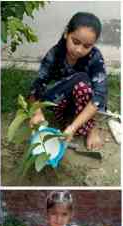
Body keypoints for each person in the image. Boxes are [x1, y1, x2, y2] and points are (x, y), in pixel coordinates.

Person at [28, 12, 108, 150]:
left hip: (85, 101)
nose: (78, 50)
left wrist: (73, 127)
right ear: (66, 34)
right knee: (68, 84)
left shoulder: (95, 58)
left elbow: (99, 97)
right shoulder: (55, 53)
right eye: (75, 42)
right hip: (61, 100)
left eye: (86, 46)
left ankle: (90, 128)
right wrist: (37, 112)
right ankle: (69, 121)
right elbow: (37, 85)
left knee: (82, 82)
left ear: (93, 45)